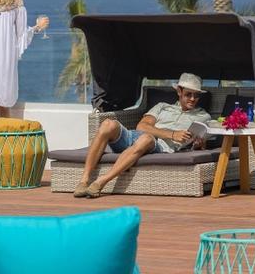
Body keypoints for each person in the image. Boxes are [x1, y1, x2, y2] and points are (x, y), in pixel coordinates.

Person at [74, 72, 212, 198]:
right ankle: (84, 180)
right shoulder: (162, 107)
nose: (193, 99)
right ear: (179, 91)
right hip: (135, 136)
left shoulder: (203, 117)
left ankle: (101, 181)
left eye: (196, 95)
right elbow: (142, 126)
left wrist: (199, 145)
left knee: (146, 139)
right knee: (108, 124)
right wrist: (172, 134)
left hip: (159, 146)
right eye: (188, 94)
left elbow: (202, 142)